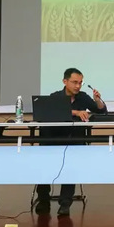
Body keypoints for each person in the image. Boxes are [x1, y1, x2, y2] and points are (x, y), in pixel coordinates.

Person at [34, 67, 108, 216]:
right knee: (45, 167)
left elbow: (101, 110)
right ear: (65, 81)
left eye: (80, 83)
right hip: (52, 139)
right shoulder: (55, 96)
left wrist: (97, 100)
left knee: (70, 168)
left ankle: (65, 203)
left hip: (74, 140)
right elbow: (49, 112)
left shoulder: (83, 97)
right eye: (75, 82)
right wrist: (76, 112)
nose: (78, 86)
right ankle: (43, 200)